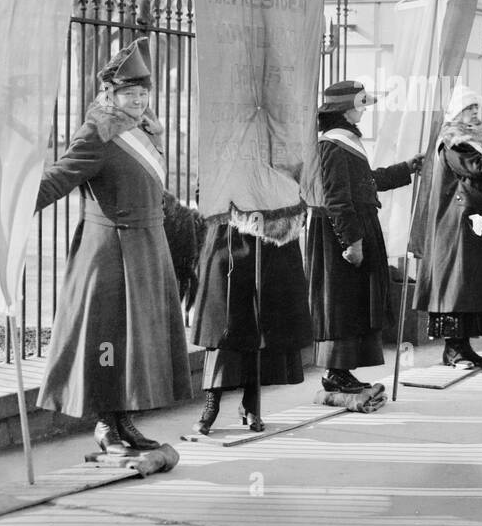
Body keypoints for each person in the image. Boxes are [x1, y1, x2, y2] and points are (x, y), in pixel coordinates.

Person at [34, 39, 193, 454]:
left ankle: (126, 421)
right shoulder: (98, 133)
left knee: (133, 343)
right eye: (130, 94)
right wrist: (14, 207)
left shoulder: (143, 130)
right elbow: (58, 178)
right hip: (109, 252)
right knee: (107, 340)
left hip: (146, 248)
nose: (139, 101)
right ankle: (106, 424)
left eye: (143, 94)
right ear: (111, 94)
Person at [302, 79, 421, 394]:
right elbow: (337, 198)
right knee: (342, 303)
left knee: (352, 302)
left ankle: (342, 371)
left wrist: (405, 168)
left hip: (353, 227)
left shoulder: (345, 141)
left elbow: (366, 181)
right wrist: (352, 242)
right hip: (339, 234)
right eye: (360, 105)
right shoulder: (333, 143)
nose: (364, 112)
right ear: (344, 109)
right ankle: (335, 372)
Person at [188, 210, 312, 434]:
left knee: (265, 323)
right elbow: (205, 191)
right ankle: (211, 404)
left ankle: (251, 403)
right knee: (223, 324)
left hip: (274, 237)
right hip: (230, 235)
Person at [413, 84, 482, 368]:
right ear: (456, 114)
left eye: (476, 109)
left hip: (472, 221)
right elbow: (474, 169)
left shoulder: (474, 141)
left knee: (471, 285)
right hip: (455, 226)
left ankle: (465, 347)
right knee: (457, 286)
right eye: (469, 109)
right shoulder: (453, 142)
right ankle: (453, 350)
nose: (475, 114)